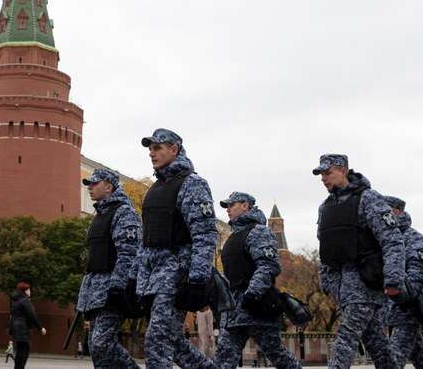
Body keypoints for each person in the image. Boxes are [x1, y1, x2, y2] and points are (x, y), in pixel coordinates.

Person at [135, 128, 217, 369]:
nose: (152, 153)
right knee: (172, 342)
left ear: (174, 149)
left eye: (157, 148)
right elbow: (146, 238)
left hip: (176, 274)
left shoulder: (192, 184)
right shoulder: (155, 189)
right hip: (152, 277)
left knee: (157, 340)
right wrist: (135, 278)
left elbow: (205, 234)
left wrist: (198, 280)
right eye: (150, 149)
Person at [312, 154, 403, 369]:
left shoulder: (368, 199)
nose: (323, 178)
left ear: (343, 170)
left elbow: (392, 240)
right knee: (377, 345)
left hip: (365, 279)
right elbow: (325, 247)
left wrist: (393, 280)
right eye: (321, 175)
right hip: (342, 284)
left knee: (346, 337)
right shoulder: (325, 207)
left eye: (328, 173)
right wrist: (327, 282)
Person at [213, 191, 301, 369]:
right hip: (234, 309)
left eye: (232, 205)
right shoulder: (232, 237)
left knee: (276, 354)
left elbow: (268, 266)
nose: (228, 209)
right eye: (227, 206)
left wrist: (251, 294)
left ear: (245, 205)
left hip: (256, 307)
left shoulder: (258, 231)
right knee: (224, 357)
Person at [76, 168, 141, 369]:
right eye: (88, 184)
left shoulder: (123, 212)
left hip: (112, 290)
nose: (90, 188)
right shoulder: (99, 215)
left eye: (94, 184)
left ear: (109, 186)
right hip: (95, 291)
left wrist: (118, 286)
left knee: (102, 344)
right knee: (96, 347)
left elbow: (128, 252)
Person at [379, 196, 423, 369]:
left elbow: (420, 270)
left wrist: (402, 295)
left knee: (393, 360)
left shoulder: (414, 238)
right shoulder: (382, 238)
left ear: (396, 211)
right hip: (387, 309)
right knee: (419, 357)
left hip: (406, 308)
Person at [8, 282, 46, 369]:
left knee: (21, 350)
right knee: (24, 350)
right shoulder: (25, 300)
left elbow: (13, 315)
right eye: (28, 289)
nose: (30, 291)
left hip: (16, 328)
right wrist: (40, 328)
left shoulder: (15, 300)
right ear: (25, 291)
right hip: (22, 328)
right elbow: (32, 315)